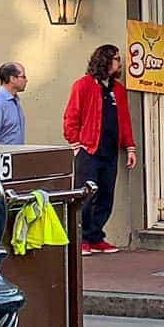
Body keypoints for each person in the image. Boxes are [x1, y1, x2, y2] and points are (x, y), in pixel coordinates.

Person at [63, 43, 136, 252]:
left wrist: (130, 147)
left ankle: (96, 236)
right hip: (89, 149)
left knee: (106, 194)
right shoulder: (83, 85)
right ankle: (81, 239)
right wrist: (76, 143)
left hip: (110, 150)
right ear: (104, 60)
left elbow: (124, 119)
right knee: (86, 194)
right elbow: (72, 115)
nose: (119, 63)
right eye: (116, 59)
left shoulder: (118, 89)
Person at [0, 61, 28, 146]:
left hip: (17, 156)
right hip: (4, 156)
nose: (26, 80)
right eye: (23, 77)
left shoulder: (15, 101)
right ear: (12, 79)